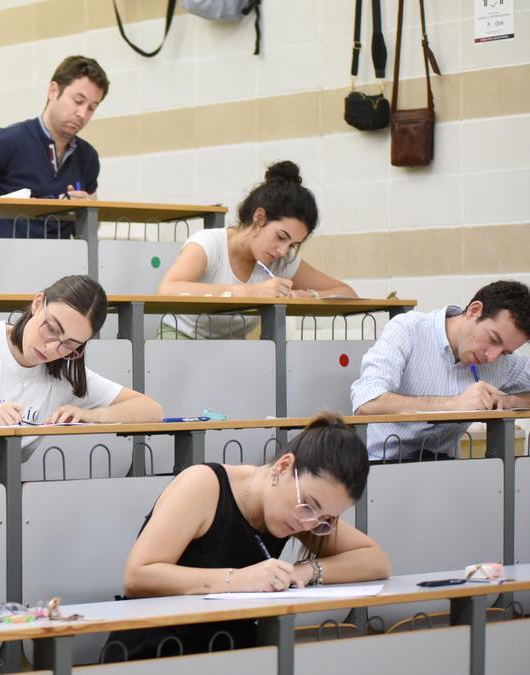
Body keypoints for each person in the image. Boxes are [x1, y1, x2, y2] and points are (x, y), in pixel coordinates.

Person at [104, 414, 390, 662]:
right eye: (309, 506)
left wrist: (305, 570)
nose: (309, 522)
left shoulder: (305, 519)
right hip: (153, 654)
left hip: (232, 656)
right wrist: (237, 580)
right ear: (283, 467)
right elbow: (138, 576)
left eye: (325, 520)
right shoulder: (203, 484)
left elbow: (375, 560)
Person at [0, 275, 163, 483]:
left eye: (71, 344)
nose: (52, 348)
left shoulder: (66, 371)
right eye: (51, 329)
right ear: (37, 304)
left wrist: (91, 414)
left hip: (1, 480)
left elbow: (152, 410)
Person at [156, 161, 356, 340]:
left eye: (292, 245)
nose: (283, 251)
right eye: (281, 237)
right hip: (180, 341)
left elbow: (347, 294)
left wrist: (306, 296)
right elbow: (167, 289)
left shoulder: (281, 260)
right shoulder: (209, 243)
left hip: (232, 354)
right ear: (259, 218)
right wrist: (249, 292)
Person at [351, 280, 530, 461]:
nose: (492, 356)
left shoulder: (502, 362)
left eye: (505, 352)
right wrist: (454, 404)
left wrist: (511, 401)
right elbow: (366, 402)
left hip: (445, 472)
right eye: (493, 338)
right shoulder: (408, 329)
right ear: (474, 311)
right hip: (381, 468)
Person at [0, 55, 106, 239]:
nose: (82, 114)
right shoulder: (8, 141)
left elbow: (90, 229)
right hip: (0, 262)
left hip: (59, 263)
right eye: (78, 101)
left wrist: (88, 212)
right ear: (53, 91)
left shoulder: (88, 157)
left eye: (92, 108)